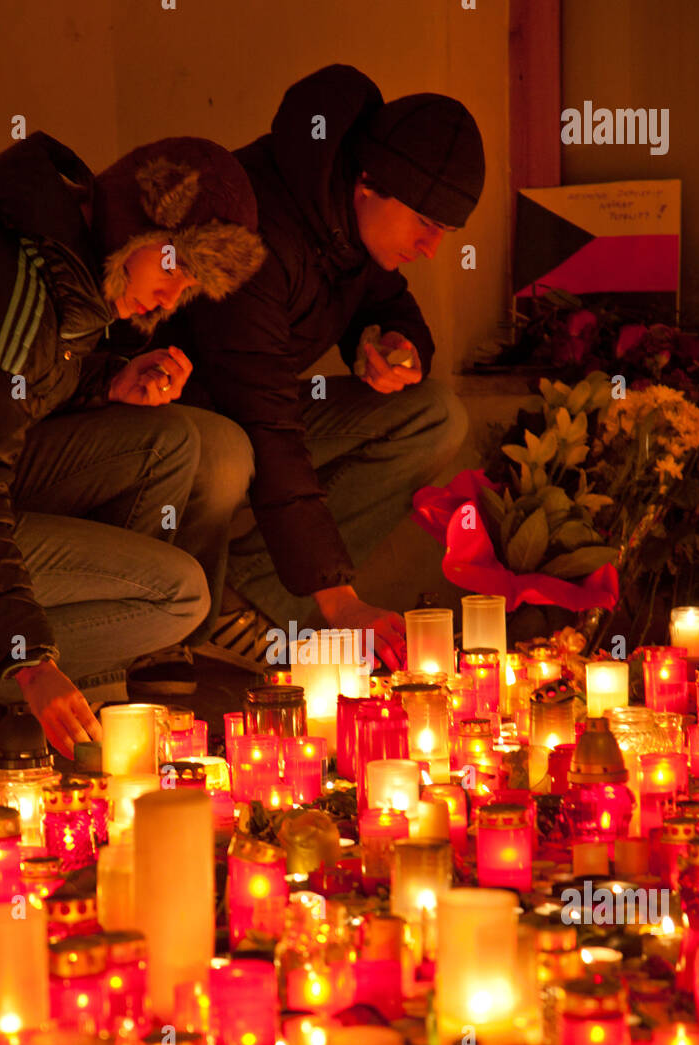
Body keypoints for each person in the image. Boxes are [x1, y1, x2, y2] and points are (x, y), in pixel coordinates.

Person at [0, 131, 265, 766]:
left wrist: (107, 381)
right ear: (137, 222)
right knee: (178, 595)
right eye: (176, 268)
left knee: (166, 442)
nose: (172, 299)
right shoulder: (6, 289)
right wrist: (27, 661)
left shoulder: (49, 254)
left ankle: (89, 683)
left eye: (191, 286)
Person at [139, 64, 485, 672]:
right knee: (228, 448)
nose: (432, 248)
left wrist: (399, 344)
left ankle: (253, 593)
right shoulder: (255, 232)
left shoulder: (343, 215)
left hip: (246, 411)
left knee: (432, 414)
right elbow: (264, 419)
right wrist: (339, 597)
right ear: (371, 184)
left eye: (446, 232)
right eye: (427, 224)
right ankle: (183, 627)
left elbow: (382, 294)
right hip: (164, 421)